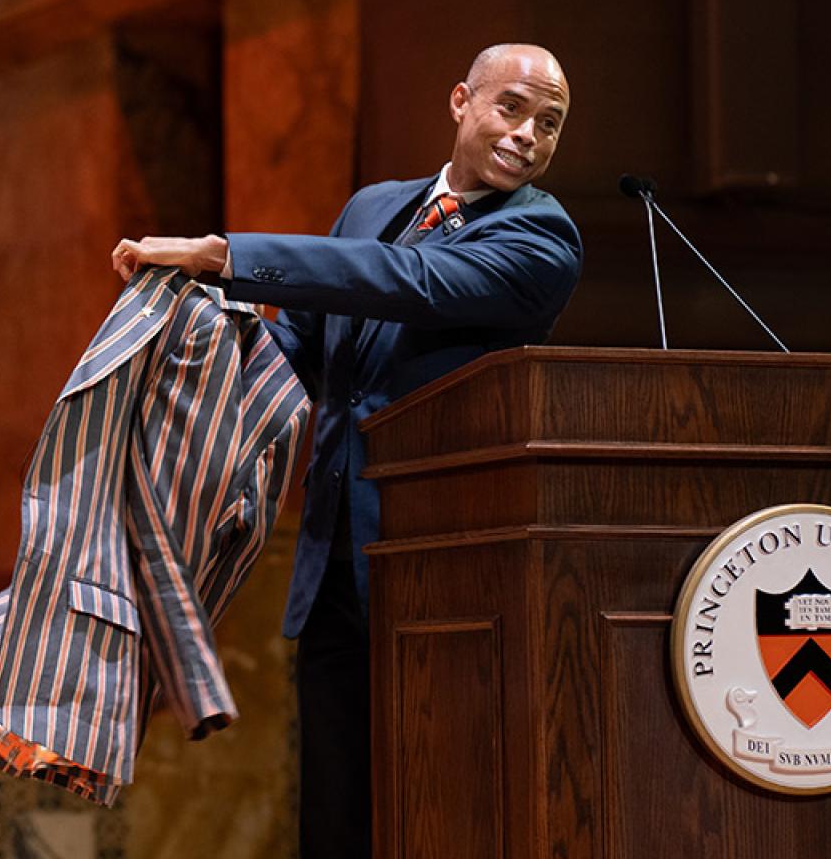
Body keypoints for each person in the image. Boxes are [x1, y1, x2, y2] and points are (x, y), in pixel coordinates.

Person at [110, 43, 580, 858]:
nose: (528, 135)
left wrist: (226, 256)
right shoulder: (374, 206)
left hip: (451, 570)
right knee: (334, 812)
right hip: (335, 564)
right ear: (462, 100)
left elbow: (406, 284)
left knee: (436, 805)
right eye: (513, 109)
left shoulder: (543, 237)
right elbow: (307, 348)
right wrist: (189, 322)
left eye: (550, 124)